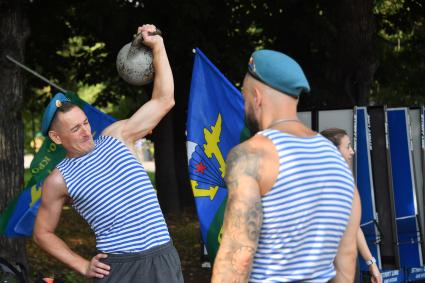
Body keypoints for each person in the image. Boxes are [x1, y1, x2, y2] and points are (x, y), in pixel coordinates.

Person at [33, 24, 183, 283]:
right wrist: (82, 265)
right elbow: (42, 233)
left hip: (162, 257)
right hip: (121, 269)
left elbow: (164, 100)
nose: (85, 132)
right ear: (56, 138)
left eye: (85, 123)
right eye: (75, 129)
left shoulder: (117, 136)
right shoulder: (59, 180)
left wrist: (158, 46)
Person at [211, 49, 361, 282]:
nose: (244, 106)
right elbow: (347, 259)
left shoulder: (251, 155)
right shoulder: (338, 163)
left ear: (257, 97)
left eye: (244, 98)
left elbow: (238, 258)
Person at [321, 128, 382, 283]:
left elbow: (353, 226)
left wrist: (371, 262)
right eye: (347, 146)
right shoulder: (339, 182)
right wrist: (371, 263)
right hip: (334, 266)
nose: (352, 151)